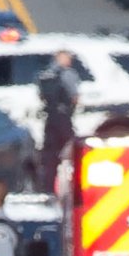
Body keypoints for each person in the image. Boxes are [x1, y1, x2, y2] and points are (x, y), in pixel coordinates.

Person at [40, 49, 82, 188]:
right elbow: (74, 96)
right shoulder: (68, 74)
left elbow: (41, 96)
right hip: (63, 117)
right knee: (71, 149)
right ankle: (75, 182)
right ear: (61, 58)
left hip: (50, 117)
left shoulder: (44, 74)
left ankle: (48, 185)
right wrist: (70, 110)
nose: (70, 61)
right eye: (68, 58)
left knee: (50, 154)